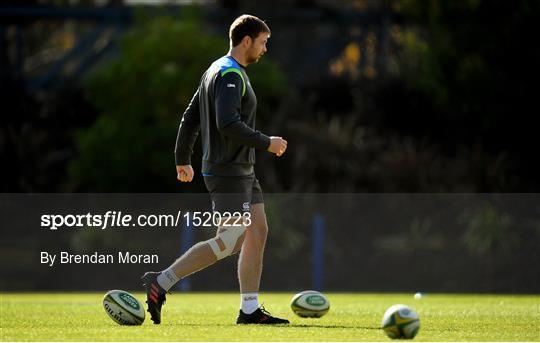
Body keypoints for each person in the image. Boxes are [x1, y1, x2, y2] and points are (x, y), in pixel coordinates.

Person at [141, 14, 289, 325]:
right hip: (228, 170)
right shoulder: (230, 75)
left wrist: (182, 157)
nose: (264, 49)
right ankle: (161, 281)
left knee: (258, 231)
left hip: (241, 169)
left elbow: (190, 117)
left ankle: (250, 309)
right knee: (230, 241)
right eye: (262, 43)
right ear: (246, 41)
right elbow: (227, 123)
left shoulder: (216, 69)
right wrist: (267, 142)